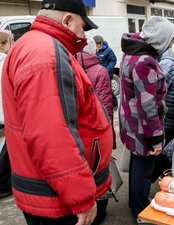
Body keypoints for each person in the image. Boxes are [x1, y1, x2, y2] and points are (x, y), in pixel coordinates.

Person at [2, 0, 113, 225]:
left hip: (50, 189)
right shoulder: (46, 54)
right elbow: (52, 137)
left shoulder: (36, 45)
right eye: (82, 26)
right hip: (58, 199)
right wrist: (81, 197)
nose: (83, 35)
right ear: (67, 20)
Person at [119, 16, 174, 223]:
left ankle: (136, 203)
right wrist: (155, 138)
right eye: (169, 40)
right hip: (143, 127)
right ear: (161, 39)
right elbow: (147, 105)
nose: (170, 44)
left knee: (137, 165)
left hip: (131, 122)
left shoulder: (132, 52)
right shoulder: (145, 61)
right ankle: (141, 211)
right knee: (143, 170)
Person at [77, 36, 116, 150]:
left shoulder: (70, 64)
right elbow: (106, 105)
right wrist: (109, 134)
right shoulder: (100, 71)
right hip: (96, 128)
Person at [0, 30, 13, 200]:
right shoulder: (4, 62)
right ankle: (3, 186)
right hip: (5, 115)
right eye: (12, 41)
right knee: (6, 152)